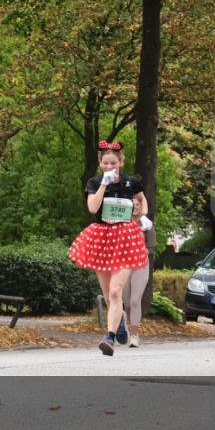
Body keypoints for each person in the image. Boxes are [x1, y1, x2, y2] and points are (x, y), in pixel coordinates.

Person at [69, 140, 151, 356]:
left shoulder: (131, 183)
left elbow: (142, 201)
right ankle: (120, 323)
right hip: (102, 239)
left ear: (120, 163)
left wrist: (142, 216)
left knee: (116, 291)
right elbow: (92, 207)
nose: (109, 167)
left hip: (125, 239)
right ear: (100, 163)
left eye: (113, 163)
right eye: (105, 163)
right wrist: (104, 184)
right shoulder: (95, 183)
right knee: (108, 296)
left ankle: (109, 338)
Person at [124, 193, 155, 347]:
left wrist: (143, 251)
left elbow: (151, 246)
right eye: (132, 204)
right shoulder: (121, 222)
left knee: (135, 300)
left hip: (140, 264)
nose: (135, 207)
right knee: (127, 302)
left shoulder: (146, 224)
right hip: (123, 264)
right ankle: (127, 331)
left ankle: (135, 335)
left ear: (141, 207)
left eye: (138, 205)